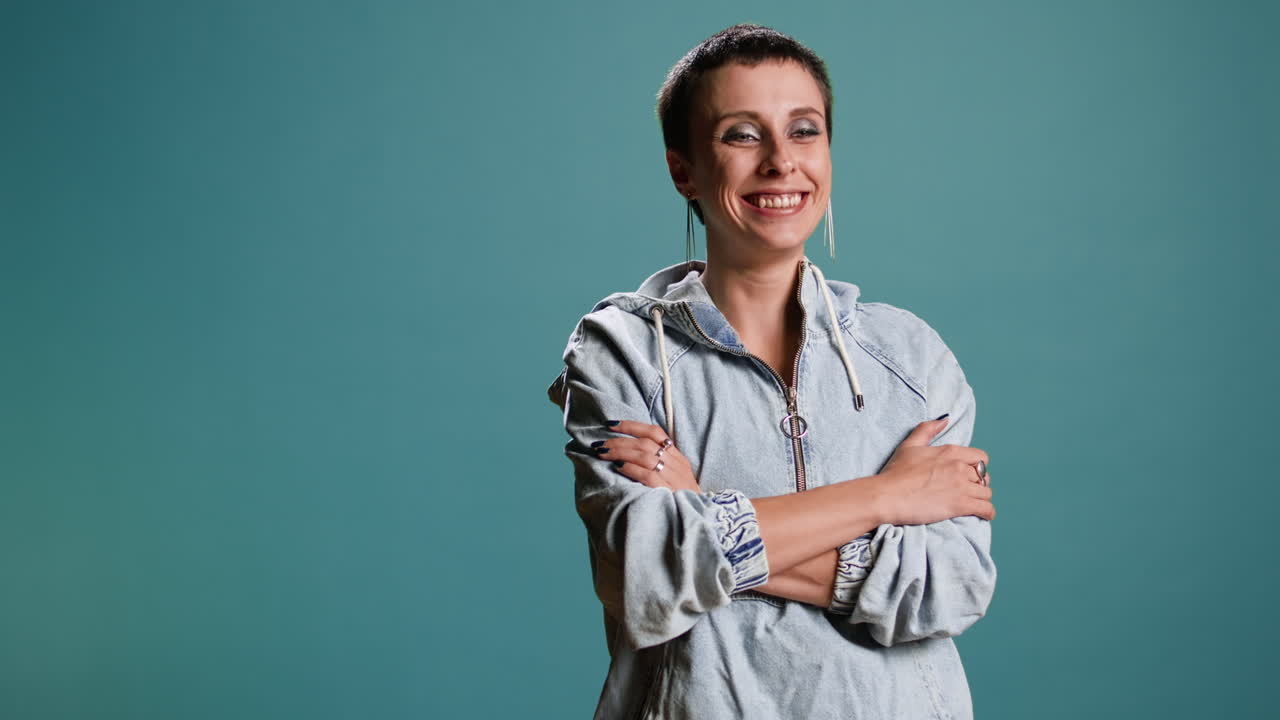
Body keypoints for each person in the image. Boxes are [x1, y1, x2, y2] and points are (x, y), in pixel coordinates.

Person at [547, 23, 996, 720]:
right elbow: (646, 576)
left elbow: (951, 589)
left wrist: (705, 518)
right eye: (741, 135)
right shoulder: (622, 350)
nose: (781, 161)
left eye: (804, 131)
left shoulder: (911, 357)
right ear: (684, 170)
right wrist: (885, 497)